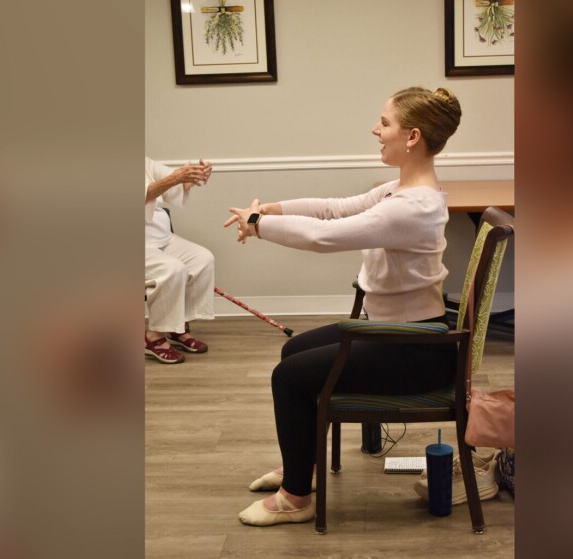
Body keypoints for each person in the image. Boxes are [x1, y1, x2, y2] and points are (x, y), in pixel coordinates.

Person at [224, 86, 462, 526]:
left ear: (412, 137)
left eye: (385, 122)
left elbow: (323, 238)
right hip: (399, 334)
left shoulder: (415, 206)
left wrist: (259, 225)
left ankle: (296, 497)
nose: (376, 129)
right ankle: (304, 465)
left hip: (415, 349)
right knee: (293, 353)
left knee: (288, 377)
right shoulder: (401, 190)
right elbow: (334, 210)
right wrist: (273, 209)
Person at [145, 156, 215, 364]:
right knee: (173, 269)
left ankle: (177, 325)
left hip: (161, 238)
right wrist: (175, 178)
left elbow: (174, 182)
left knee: (203, 259)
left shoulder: (143, 161)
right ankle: (154, 336)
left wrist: (193, 177)